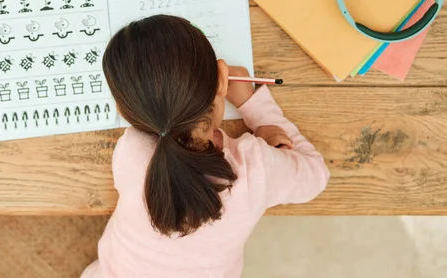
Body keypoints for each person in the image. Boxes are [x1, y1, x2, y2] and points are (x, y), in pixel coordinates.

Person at [82, 15, 330, 278]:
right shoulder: (254, 168)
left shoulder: (131, 150)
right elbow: (316, 175)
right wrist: (262, 115)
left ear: (123, 110)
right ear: (222, 79)